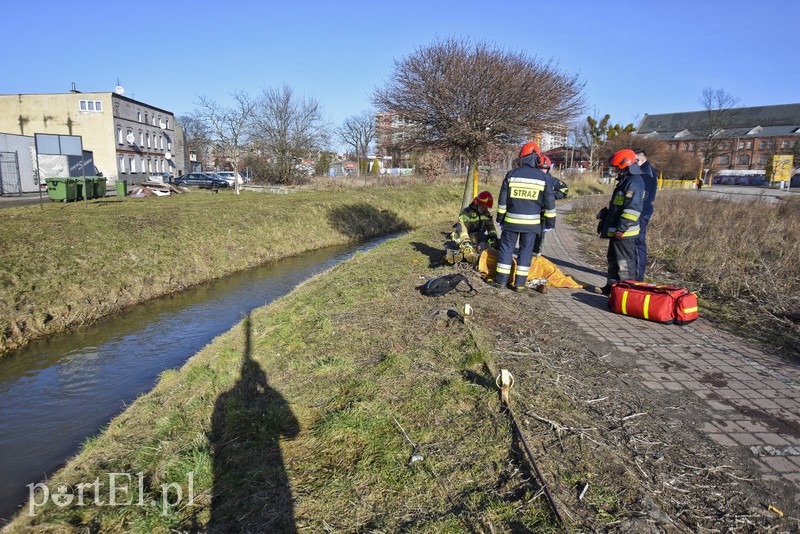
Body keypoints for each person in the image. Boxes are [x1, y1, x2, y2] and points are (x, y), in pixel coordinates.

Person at [490, 142, 556, 291]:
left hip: (511, 222)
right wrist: (550, 223)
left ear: (522, 157)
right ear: (537, 158)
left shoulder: (512, 175)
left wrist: (500, 219)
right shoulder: (543, 178)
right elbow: (550, 203)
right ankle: (519, 285)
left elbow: (502, 201)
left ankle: (501, 282)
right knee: (525, 252)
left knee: (506, 249)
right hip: (532, 225)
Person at [598, 149, 646, 296]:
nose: (616, 170)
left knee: (624, 264)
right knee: (613, 260)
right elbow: (619, 205)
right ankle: (611, 288)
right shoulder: (626, 181)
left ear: (627, 165)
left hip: (625, 232)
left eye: (618, 167)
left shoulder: (634, 183)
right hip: (617, 230)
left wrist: (622, 228)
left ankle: (626, 293)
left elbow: (632, 209)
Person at [532, 155, 569, 256]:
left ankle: (536, 252)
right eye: (541, 168)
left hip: (544, 212)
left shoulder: (553, 180)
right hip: (532, 210)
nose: (543, 170)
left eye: (545, 168)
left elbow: (564, 190)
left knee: (540, 233)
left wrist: (553, 196)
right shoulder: (532, 178)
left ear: (548, 168)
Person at [452, 191, 498, 261]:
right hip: (467, 236)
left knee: (499, 242)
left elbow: (491, 227)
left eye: (486, 206)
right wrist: (465, 240)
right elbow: (462, 226)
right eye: (483, 205)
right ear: (478, 203)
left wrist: (493, 238)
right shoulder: (467, 212)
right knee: (481, 237)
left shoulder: (486, 214)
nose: (484, 208)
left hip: (479, 236)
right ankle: (481, 255)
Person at [633, 148, 657, 281]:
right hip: (639, 212)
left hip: (641, 214)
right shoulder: (642, 171)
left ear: (640, 160)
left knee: (638, 243)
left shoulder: (647, 173)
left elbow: (643, 196)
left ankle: (637, 278)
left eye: (634, 160)